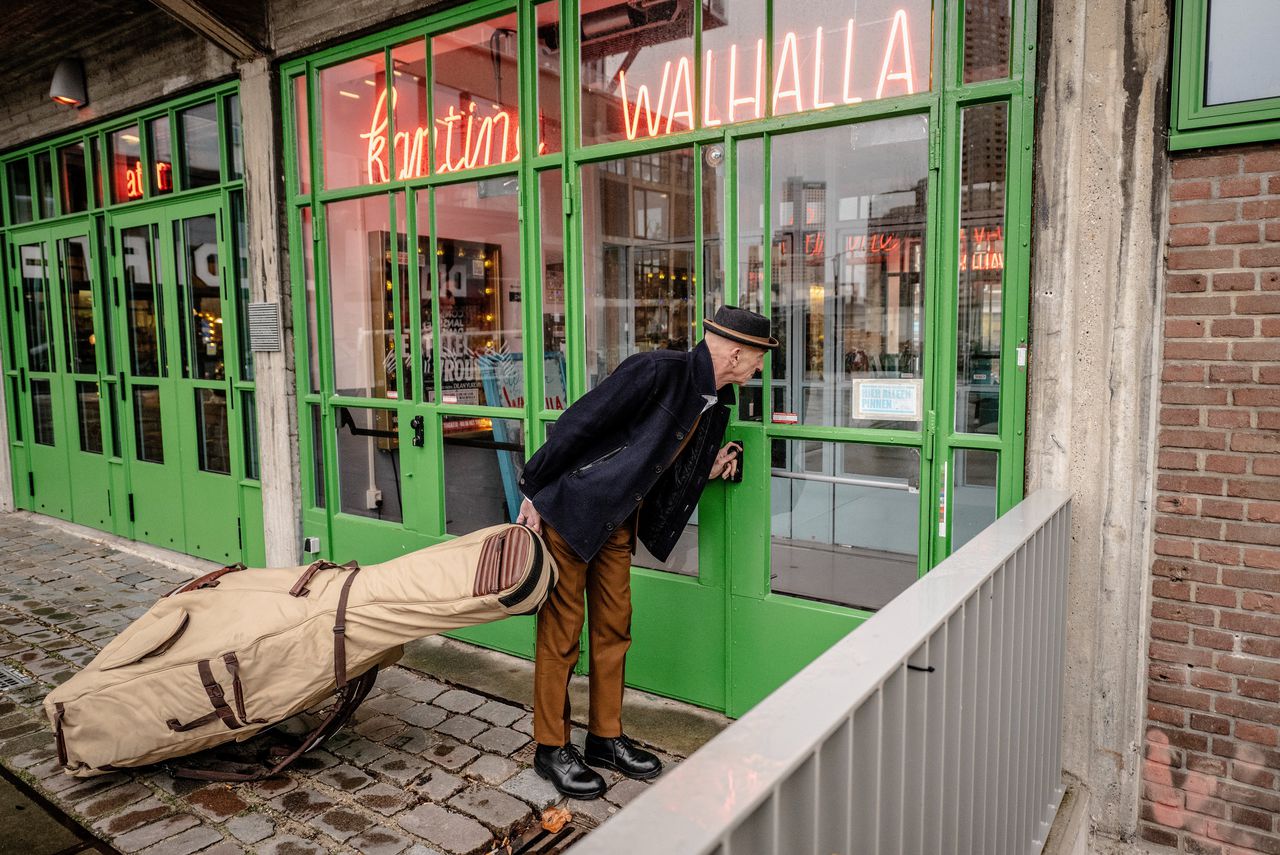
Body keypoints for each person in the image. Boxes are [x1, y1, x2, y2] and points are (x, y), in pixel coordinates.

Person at [515, 305, 777, 799]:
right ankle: (551, 747)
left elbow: (664, 463)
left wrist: (708, 466)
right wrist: (532, 488)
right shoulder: (657, 370)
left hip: (618, 523)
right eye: (759, 359)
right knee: (562, 633)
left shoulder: (714, 401)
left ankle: (604, 738)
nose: (759, 370)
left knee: (615, 627)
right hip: (573, 512)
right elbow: (578, 423)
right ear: (738, 353)